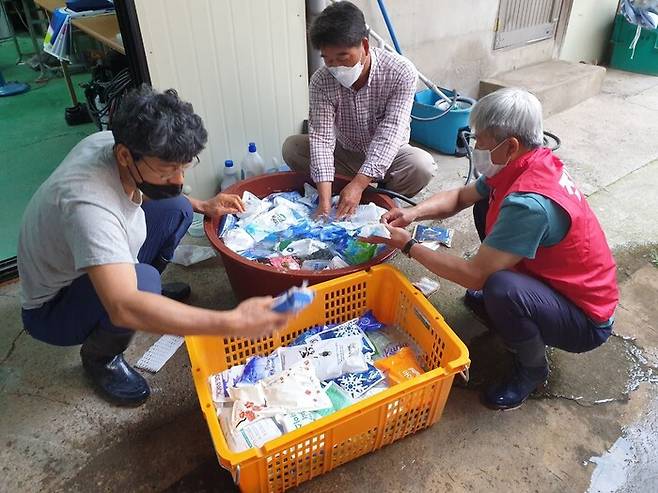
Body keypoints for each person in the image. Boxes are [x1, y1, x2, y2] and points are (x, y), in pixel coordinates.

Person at [18, 85, 289, 407]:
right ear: (124, 155)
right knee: (141, 285)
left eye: (183, 167)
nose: (178, 179)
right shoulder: (88, 207)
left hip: (87, 265)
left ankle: (149, 294)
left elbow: (159, 189)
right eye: (166, 170)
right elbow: (124, 304)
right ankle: (101, 358)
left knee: (178, 207)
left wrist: (203, 204)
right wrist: (232, 322)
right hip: (53, 310)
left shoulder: (110, 142)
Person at [363, 88, 619, 410]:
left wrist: (409, 245)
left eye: (481, 141)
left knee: (499, 287)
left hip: (585, 319)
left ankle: (532, 369)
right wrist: (412, 213)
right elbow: (459, 197)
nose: (476, 148)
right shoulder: (525, 162)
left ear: (510, 144)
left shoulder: (530, 203)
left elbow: (472, 276)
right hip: (558, 284)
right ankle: (516, 306)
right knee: (484, 206)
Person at [282, 1, 434, 219]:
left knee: (421, 166)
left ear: (364, 45)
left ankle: (377, 194)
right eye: (328, 60)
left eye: (343, 57)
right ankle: (356, 192)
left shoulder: (401, 72)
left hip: (391, 155)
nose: (336, 67)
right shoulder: (321, 80)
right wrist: (324, 204)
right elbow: (322, 139)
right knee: (293, 147)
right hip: (347, 152)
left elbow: (390, 133)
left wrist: (359, 184)